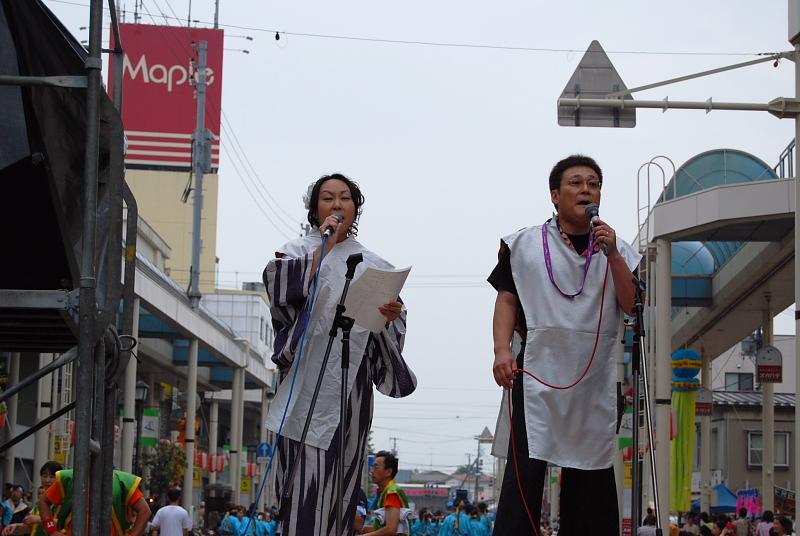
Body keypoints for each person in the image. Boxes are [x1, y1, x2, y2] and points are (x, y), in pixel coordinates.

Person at [489, 155, 640, 535]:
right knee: (525, 472)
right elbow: (507, 299)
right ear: (555, 195)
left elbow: (632, 303)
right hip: (538, 369)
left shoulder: (616, 247)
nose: (586, 189)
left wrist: (615, 256)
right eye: (576, 183)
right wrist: (501, 350)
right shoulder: (522, 243)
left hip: (597, 376)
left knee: (593, 472)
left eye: (593, 183)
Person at [263, 173, 417, 536]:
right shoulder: (297, 251)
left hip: (353, 381)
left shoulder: (373, 261)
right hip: (305, 379)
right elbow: (281, 292)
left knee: (343, 477)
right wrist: (324, 251)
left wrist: (391, 315)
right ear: (315, 209)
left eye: (345, 198)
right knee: (303, 479)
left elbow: (393, 325)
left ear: (356, 207)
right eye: (328, 198)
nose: (337, 205)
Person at [38, 468, 150, 536]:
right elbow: (43, 500)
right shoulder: (69, 477)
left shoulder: (122, 481)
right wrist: (51, 530)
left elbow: (145, 512)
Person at [359, 451, 410, 535]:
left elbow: (391, 529)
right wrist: (362, 529)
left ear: (388, 472)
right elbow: (378, 528)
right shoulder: (384, 492)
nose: (371, 471)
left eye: (376, 467)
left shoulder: (392, 492)